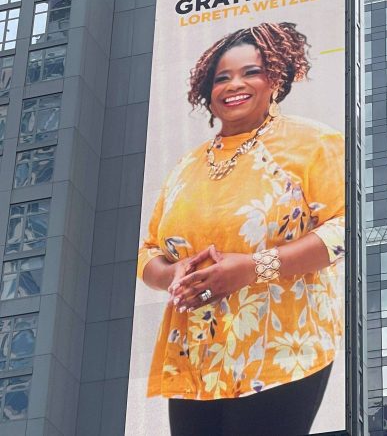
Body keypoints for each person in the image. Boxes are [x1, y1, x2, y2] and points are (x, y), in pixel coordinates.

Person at [137, 22, 345, 436]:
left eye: (251, 71)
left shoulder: (314, 143)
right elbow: (148, 252)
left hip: (282, 348)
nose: (235, 84)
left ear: (276, 80)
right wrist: (172, 274)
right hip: (196, 353)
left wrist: (255, 267)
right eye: (222, 77)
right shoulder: (186, 166)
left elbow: (344, 229)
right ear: (206, 91)